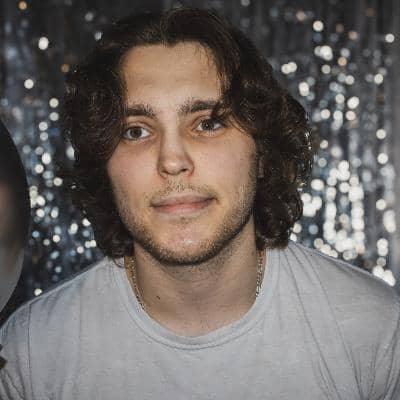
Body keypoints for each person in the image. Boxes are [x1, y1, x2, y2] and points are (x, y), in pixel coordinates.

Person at [0, 6, 399, 399]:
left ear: (262, 152)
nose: (172, 160)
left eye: (208, 123)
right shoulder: (32, 354)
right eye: (136, 131)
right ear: (104, 166)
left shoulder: (375, 330)